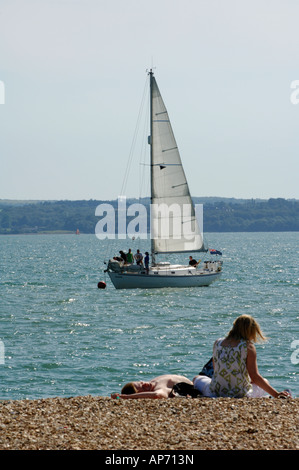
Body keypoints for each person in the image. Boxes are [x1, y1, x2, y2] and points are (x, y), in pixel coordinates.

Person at [193, 314, 291, 399]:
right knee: (264, 381)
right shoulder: (248, 346)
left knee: (197, 378)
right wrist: (276, 394)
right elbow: (255, 376)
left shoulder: (218, 343)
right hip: (241, 394)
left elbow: (216, 370)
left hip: (216, 391)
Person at [111, 374, 193, 399]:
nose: (145, 384)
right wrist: (125, 397)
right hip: (200, 388)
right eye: (143, 388)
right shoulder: (160, 388)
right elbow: (157, 395)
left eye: (141, 383)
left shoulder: (154, 381)